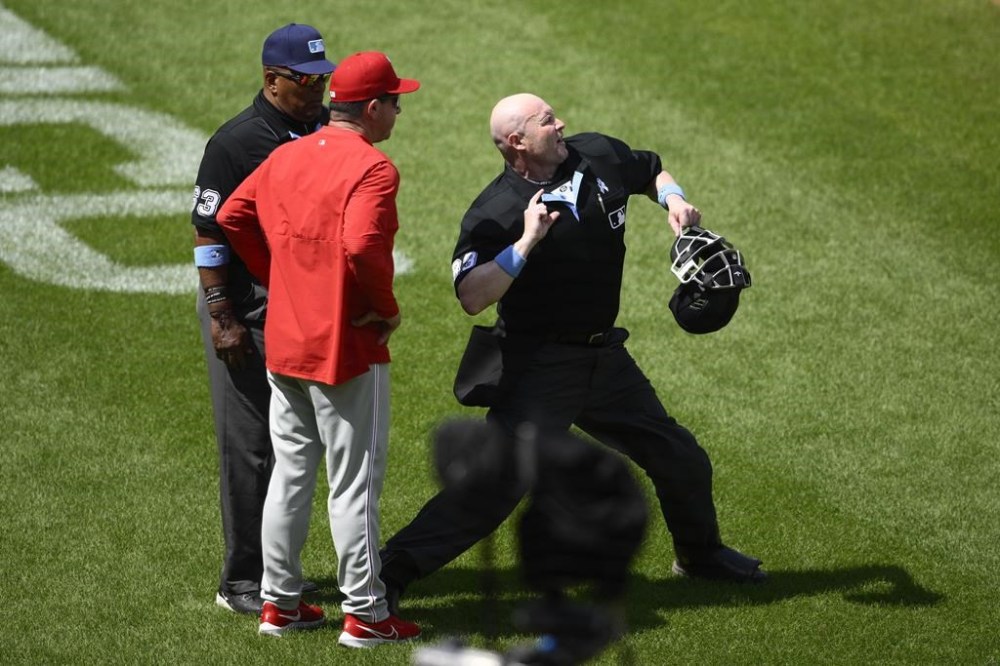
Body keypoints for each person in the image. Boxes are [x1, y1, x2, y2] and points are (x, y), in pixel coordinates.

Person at [379, 93, 765, 609]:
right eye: (546, 122)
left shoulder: (596, 155)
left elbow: (650, 169)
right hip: (539, 368)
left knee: (678, 455)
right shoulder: (495, 212)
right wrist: (527, 242)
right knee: (496, 488)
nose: (560, 124)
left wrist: (673, 199)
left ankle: (700, 556)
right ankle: (387, 574)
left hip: (604, 359)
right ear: (518, 142)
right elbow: (472, 295)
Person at [216, 51, 422, 648]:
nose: (399, 112)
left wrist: (279, 276)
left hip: (284, 336)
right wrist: (384, 308)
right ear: (373, 107)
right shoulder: (374, 168)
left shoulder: (285, 154)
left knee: (292, 471)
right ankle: (366, 613)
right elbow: (361, 246)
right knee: (355, 481)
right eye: (396, 102)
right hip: (345, 343)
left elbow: (234, 215)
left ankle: (278, 604)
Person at [191, 23, 334, 614]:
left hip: (302, 310)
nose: (319, 91)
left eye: (324, 79)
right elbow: (207, 234)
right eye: (308, 81)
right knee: (251, 447)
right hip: (245, 313)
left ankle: (280, 571)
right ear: (273, 80)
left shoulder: (325, 131)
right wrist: (222, 317)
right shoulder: (236, 143)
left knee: (301, 442)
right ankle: (242, 582)